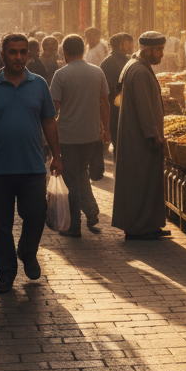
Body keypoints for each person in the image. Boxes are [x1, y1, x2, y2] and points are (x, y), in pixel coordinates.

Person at [0, 33, 63, 294]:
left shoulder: (39, 84)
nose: (18, 57)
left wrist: (57, 155)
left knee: (35, 214)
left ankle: (27, 252)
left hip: (32, 166)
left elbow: (49, 122)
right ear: (2, 54)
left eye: (22, 52)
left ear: (28, 54)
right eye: (13, 52)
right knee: (1, 225)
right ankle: (5, 274)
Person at [112, 31, 171, 240]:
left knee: (149, 183)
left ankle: (150, 224)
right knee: (140, 183)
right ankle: (139, 227)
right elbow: (144, 108)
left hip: (139, 136)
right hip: (140, 139)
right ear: (148, 50)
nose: (162, 55)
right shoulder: (138, 71)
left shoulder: (138, 66)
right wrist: (154, 135)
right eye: (159, 50)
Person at [49, 34, 110, 237]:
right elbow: (105, 104)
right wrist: (106, 129)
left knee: (71, 178)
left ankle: (74, 224)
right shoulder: (97, 72)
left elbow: (53, 108)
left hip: (67, 135)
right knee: (81, 172)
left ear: (65, 53)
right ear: (83, 50)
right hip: (91, 134)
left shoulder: (61, 75)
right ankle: (91, 211)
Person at [100, 32, 133, 151]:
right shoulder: (111, 63)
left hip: (118, 108)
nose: (131, 46)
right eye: (128, 44)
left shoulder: (125, 60)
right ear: (120, 45)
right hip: (116, 108)